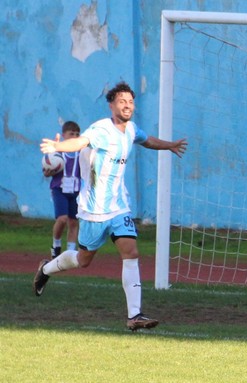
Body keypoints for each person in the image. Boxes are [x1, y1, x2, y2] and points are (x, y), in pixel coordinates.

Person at [34, 81, 188, 331]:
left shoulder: (131, 130)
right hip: (94, 211)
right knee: (83, 261)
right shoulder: (101, 129)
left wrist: (169, 145)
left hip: (118, 207)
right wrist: (57, 147)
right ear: (111, 105)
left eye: (130, 102)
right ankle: (46, 269)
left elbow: (146, 140)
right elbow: (80, 142)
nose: (127, 105)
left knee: (131, 252)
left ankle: (135, 316)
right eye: (122, 101)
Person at [43, 121, 82, 259]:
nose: (74, 136)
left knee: (73, 221)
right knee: (62, 219)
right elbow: (47, 170)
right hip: (59, 188)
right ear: (64, 135)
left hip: (76, 190)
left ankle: (70, 252)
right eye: (71, 134)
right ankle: (56, 244)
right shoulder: (57, 154)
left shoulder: (81, 153)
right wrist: (48, 172)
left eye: (77, 134)